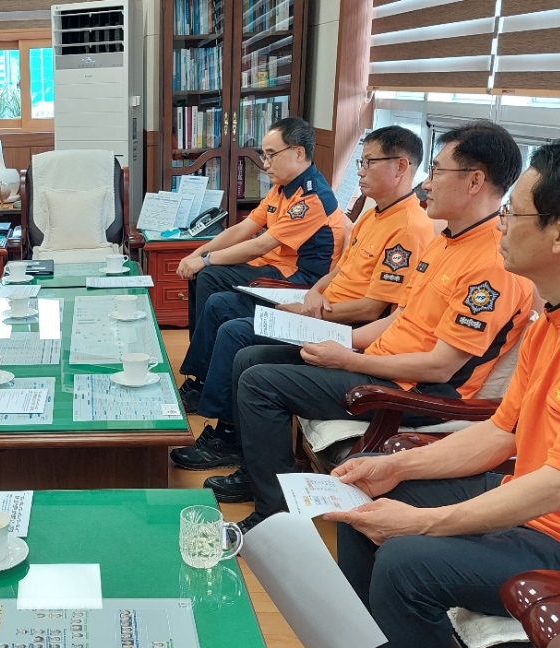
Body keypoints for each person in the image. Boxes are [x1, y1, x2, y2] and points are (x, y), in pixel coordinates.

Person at [272, 140, 560, 648]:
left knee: (407, 562)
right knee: (368, 498)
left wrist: (422, 523)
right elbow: (501, 434)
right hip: (537, 507)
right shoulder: (557, 314)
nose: (500, 223)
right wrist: (394, 466)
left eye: (514, 212)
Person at [209, 121, 536, 516]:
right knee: (251, 356)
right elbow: (400, 318)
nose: (426, 184)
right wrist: (334, 340)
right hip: (380, 363)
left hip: (418, 391)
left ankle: (274, 513)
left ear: (475, 181)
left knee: (261, 383)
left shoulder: (492, 265)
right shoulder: (445, 242)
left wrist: (347, 359)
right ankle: (257, 473)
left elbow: (440, 367)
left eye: (436, 171)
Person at [173, 126, 434, 470]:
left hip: (342, 322)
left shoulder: (409, 228)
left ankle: (227, 437)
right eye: (361, 161)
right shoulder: (373, 215)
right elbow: (339, 269)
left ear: (401, 167)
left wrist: (310, 312)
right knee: (225, 311)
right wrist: (314, 293)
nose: (360, 171)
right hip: (317, 304)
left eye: (369, 162)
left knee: (235, 330)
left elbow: (373, 310)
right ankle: (218, 415)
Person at [175, 116, 344, 397]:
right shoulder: (283, 188)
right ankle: (202, 366)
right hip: (273, 268)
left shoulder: (311, 198)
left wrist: (205, 260)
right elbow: (243, 229)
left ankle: (201, 377)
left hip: (297, 281)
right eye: (264, 155)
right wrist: (197, 253)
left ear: (298, 152)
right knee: (202, 274)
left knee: (209, 274)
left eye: (271, 155)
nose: (265, 164)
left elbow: (259, 245)